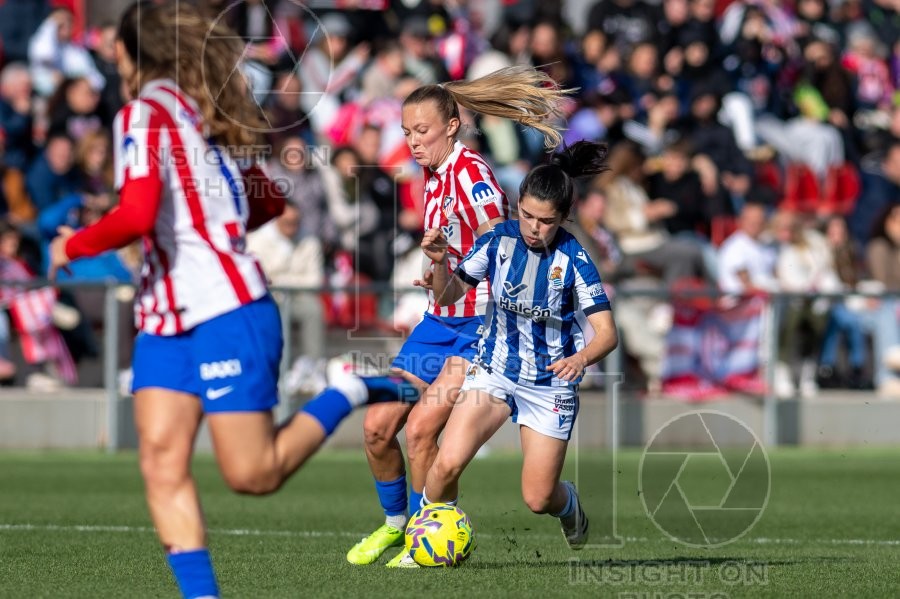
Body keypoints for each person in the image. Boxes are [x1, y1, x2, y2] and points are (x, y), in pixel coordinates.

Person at [46, 3, 392, 598]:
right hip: (165, 317)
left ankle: (353, 387)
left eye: (115, 47)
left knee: (253, 474)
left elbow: (133, 214)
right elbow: (268, 204)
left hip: (226, 311)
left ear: (134, 53)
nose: (110, 55)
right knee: (159, 460)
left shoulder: (144, 114)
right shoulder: (201, 113)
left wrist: (69, 247)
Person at [339, 66, 570, 568]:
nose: (412, 142)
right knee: (378, 428)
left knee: (421, 430)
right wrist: (440, 266)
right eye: (406, 133)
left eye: (421, 132)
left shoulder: (470, 172)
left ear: (451, 126)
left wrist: (469, 269)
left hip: (479, 326)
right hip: (439, 321)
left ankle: (436, 537)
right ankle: (396, 527)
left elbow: (500, 233)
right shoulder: (434, 172)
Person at [418, 141, 618, 549]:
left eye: (545, 220)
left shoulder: (575, 259)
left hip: (548, 385)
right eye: (526, 214)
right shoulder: (497, 241)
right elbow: (448, 295)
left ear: (563, 218)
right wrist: (439, 264)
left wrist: (581, 358)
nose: (533, 227)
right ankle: (418, 544)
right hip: (494, 369)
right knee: (445, 465)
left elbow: (607, 333)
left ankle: (570, 505)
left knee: (538, 498)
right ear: (517, 206)